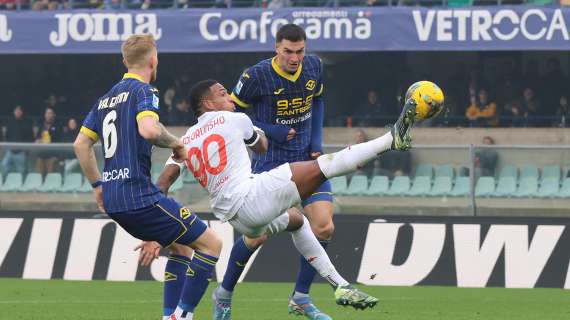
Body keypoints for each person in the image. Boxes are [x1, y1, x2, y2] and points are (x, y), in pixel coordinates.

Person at [152, 79, 418, 319]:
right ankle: (390, 140)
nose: (230, 98)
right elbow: (261, 146)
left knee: (297, 221)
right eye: (223, 94)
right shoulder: (234, 120)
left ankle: (340, 285)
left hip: (237, 217)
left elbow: (163, 182)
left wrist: (154, 230)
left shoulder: (184, 140)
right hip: (250, 198)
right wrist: (260, 134)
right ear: (208, 103)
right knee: (324, 165)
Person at [73, 34, 221, 320]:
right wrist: (178, 144)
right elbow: (150, 131)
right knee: (212, 244)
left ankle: (170, 316)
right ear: (154, 60)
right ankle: (182, 316)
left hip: (114, 199)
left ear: (124, 61)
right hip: (137, 194)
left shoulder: (104, 100)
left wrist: (97, 186)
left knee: (181, 247)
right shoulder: (144, 91)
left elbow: (80, 144)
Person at [228, 24, 337, 319]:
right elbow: (232, 114)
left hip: (306, 158)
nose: (295, 58)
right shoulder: (256, 75)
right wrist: (270, 130)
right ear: (276, 48)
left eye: (300, 51)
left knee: (324, 226)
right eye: (288, 51)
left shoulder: (314, 66)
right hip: (270, 163)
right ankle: (224, 293)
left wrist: (316, 142)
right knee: (256, 237)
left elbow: (318, 100)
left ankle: (300, 297)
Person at [1, 105, 34, 177]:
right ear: (14, 112)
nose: (18, 112)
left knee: (21, 172)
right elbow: (7, 136)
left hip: (21, 152)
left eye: (19, 110)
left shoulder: (27, 122)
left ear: (22, 112)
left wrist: (26, 151)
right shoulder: (10, 122)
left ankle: (22, 186)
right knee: (4, 165)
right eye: (16, 110)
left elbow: (31, 138)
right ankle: (4, 185)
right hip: (10, 151)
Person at [35, 107, 61, 176]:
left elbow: (59, 140)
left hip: (52, 155)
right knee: (39, 175)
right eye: (47, 113)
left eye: (50, 113)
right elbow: (37, 138)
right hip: (41, 154)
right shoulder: (41, 125)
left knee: (50, 175)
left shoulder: (58, 125)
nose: (48, 115)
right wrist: (38, 140)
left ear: (53, 115)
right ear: (45, 115)